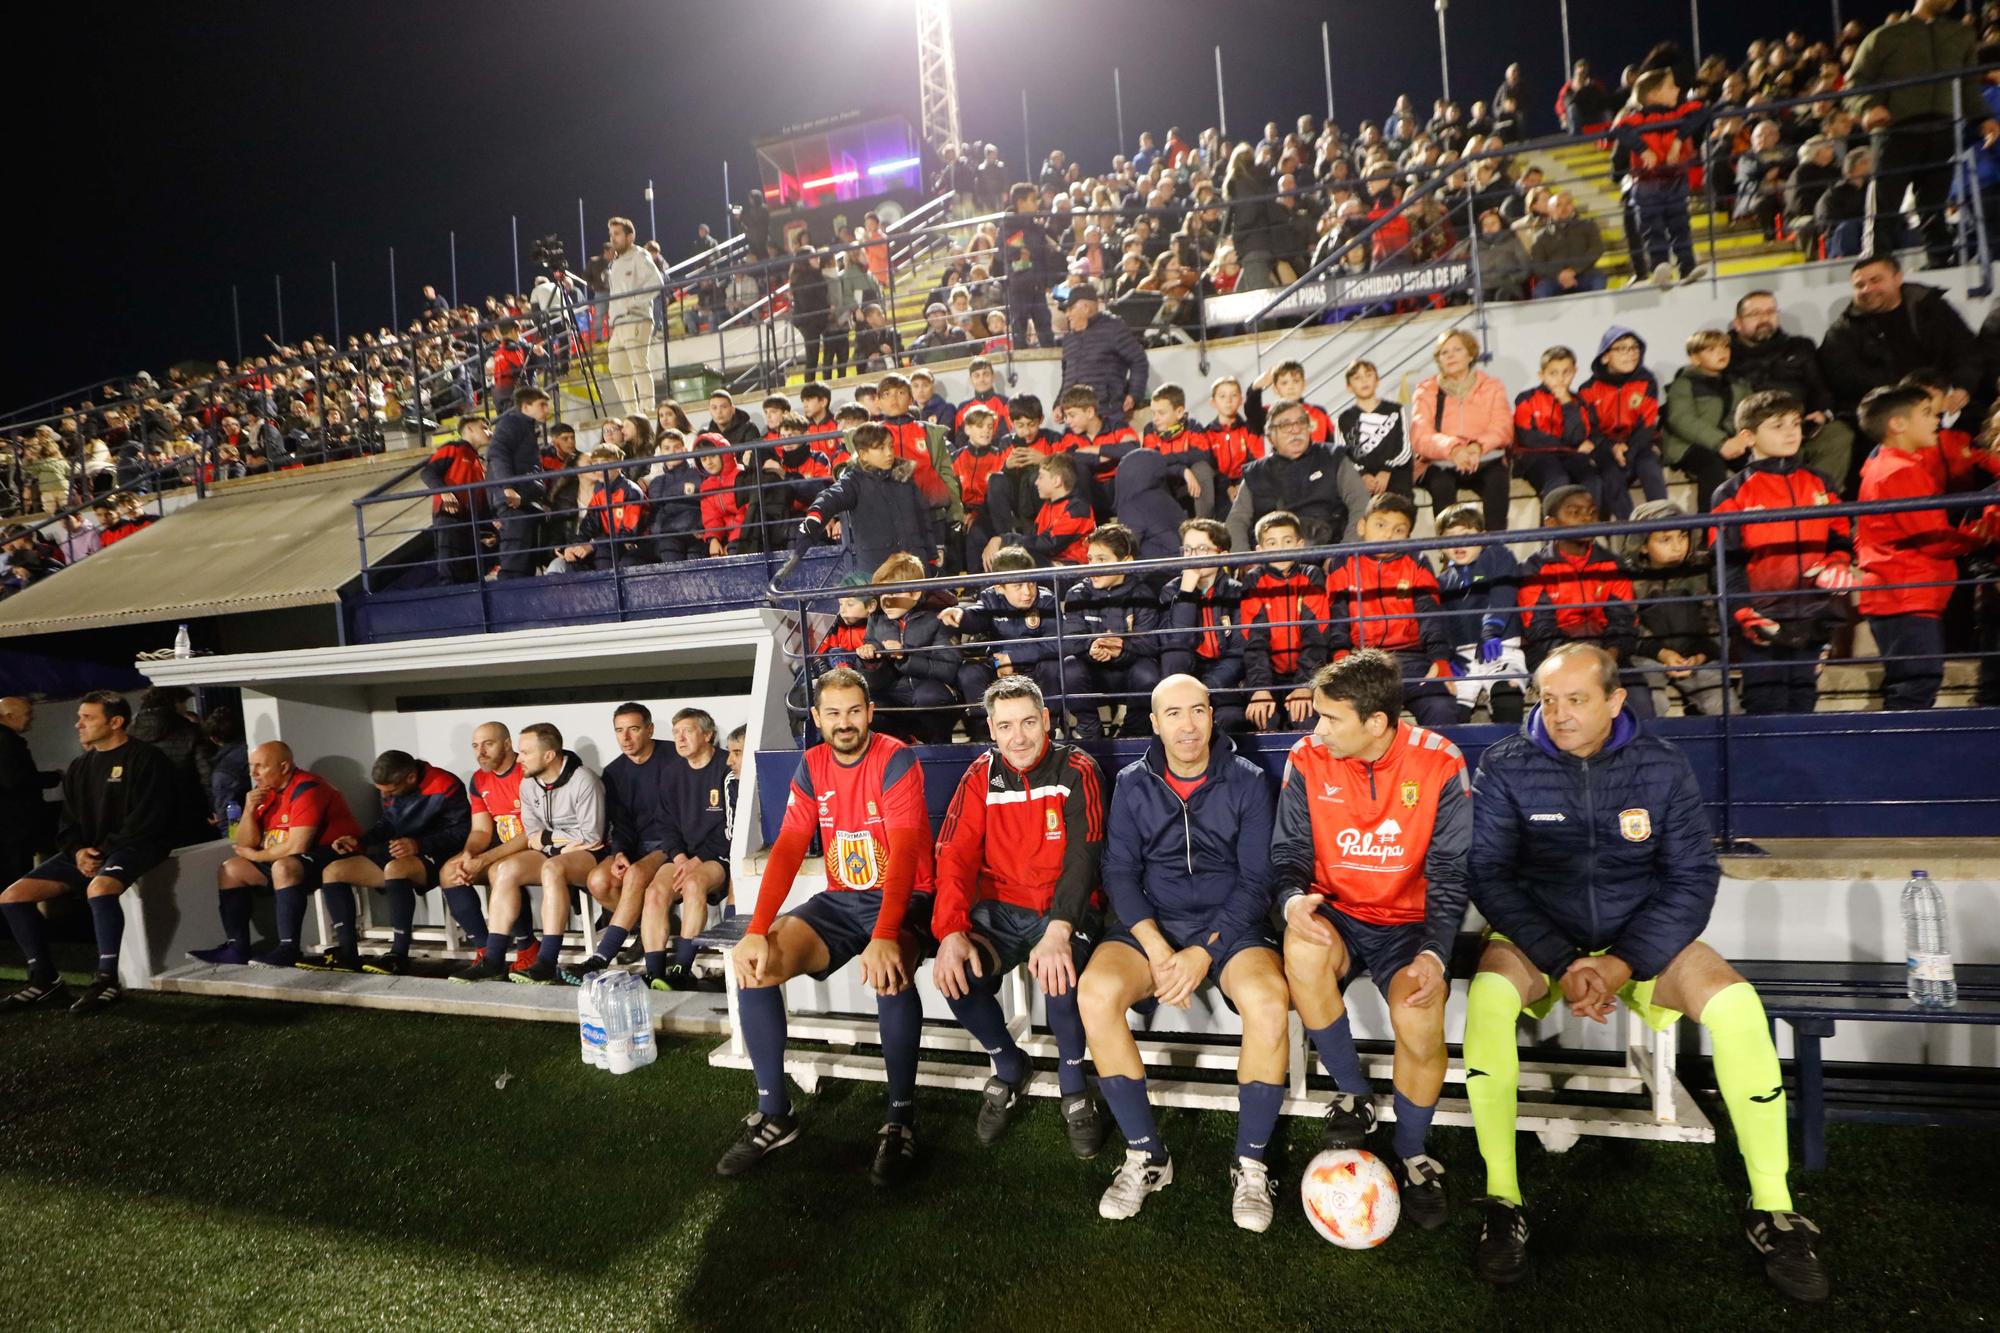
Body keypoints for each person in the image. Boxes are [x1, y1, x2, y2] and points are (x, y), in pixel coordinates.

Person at [1463, 644, 1828, 1303]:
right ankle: (1502, 1198)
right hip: (1544, 940)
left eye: (1576, 699)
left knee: (1739, 1007)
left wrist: (1619, 960)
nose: (1560, 714)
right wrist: (1563, 959)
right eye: (1549, 700)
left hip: (1636, 942)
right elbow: (1490, 875)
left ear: (1614, 700)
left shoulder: (1662, 766)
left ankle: (1772, 1207)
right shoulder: (1504, 763)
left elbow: (1691, 879)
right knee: (1488, 999)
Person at [1077, 674, 1288, 1230]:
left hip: (1232, 926)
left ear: (1212, 715)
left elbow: (1257, 879)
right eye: (1174, 713)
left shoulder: (1246, 780)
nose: (1188, 725)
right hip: (1153, 924)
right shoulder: (1131, 781)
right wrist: (1155, 944)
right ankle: (1148, 1155)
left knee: (1268, 1002)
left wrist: (1202, 952)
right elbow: (1118, 871)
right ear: (1154, 722)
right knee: (1095, 993)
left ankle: (1250, 1163)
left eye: (1197, 711)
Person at [1271, 652, 1472, 1229]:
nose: (1318, 730)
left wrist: (1436, 951)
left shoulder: (1439, 763)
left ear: (1377, 723)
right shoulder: (1307, 758)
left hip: (1409, 926)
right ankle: (1354, 1093)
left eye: (1331, 718)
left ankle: (1412, 1151)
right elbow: (1288, 852)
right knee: (1300, 947)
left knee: (1417, 1014)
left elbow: (1452, 870)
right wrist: (1291, 901)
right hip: (1337, 913)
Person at [716, 669, 936, 1186]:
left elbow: (904, 853)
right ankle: (775, 1113)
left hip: (908, 898)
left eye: (854, 711)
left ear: (870, 713)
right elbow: (791, 844)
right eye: (833, 713)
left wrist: (884, 934)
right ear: (816, 718)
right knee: (757, 964)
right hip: (842, 899)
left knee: (891, 971)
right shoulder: (812, 764)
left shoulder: (894, 756)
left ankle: (900, 1119)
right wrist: (758, 926)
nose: (845, 723)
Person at [931, 675, 1110, 1155]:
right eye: (1006, 725)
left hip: (1065, 909)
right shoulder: (978, 777)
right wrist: (950, 931)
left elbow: (1085, 855)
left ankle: (1074, 1086)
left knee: (1060, 973)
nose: (1019, 737)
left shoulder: (1077, 767)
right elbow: (953, 856)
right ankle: (1009, 1065)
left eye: (1029, 722)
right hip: (1002, 910)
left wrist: (1059, 928)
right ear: (990, 728)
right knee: (957, 974)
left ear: (1046, 720)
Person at [1, 693, 177, 1012]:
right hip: (90, 852)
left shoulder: (148, 759)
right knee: (12, 896)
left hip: (135, 846)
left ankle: (107, 980)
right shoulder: (81, 765)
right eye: (80, 716)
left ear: (116, 722)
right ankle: (45, 981)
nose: (78, 723)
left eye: (88, 717)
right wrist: (79, 850)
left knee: (100, 887)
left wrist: (101, 851)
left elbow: (149, 818)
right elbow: (68, 822)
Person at [1710, 391, 1855, 715]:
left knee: (1803, 699)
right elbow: (1726, 561)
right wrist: (1740, 611)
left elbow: (1840, 537)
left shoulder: (1820, 481)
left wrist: (1838, 562)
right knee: (1765, 703)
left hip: (1814, 612)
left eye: (1795, 423)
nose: (1791, 432)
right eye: (1777, 425)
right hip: (1763, 616)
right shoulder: (1731, 491)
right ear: (1748, 437)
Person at [1856, 384, 1996, 709]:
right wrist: (1981, 536)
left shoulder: (1895, 467)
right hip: (1905, 592)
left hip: (1904, 592)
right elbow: (1932, 538)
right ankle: (1899, 758)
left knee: (1915, 682)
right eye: (1928, 414)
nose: (1937, 420)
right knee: (1916, 683)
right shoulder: (1900, 471)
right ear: (1897, 424)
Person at [448, 723, 605, 983]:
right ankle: (494, 960)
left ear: (549, 755)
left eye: (526, 753)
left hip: (590, 854)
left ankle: (545, 962)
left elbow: (592, 837)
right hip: (556, 849)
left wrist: (550, 841)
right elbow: (532, 835)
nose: (519, 759)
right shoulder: (529, 783)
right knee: (504, 869)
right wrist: (558, 842)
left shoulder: (584, 779)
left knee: (553, 868)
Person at [191, 740, 362, 970]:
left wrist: (255, 856)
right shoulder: (267, 793)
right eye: (251, 766)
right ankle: (237, 947)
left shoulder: (308, 788)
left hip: (329, 855)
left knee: (283, 866)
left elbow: (297, 847)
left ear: (283, 767)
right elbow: (243, 842)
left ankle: (288, 948)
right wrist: (249, 809)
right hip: (283, 859)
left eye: (260, 766)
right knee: (230, 870)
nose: (253, 773)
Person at [313, 751, 471, 975]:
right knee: (334, 871)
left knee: (396, 868)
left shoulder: (445, 783)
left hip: (440, 853)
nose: (387, 795)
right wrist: (358, 842)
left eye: (391, 791)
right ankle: (348, 954)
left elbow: (462, 832)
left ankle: (398, 955)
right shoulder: (390, 787)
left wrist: (419, 845)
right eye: (383, 792)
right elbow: (387, 825)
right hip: (402, 852)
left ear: (411, 778)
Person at [1846, 0, 1977, 269]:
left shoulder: (1962, 34)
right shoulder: (1885, 36)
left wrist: (1983, 118)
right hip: (1896, 129)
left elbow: (1968, 84)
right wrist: (1868, 107)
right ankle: (1875, 259)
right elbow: (1855, 81)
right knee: (1885, 199)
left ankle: (1940, 259)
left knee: (1934, 201)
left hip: (1943, 127)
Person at [1325, 493, 1459, 729]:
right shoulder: (1343, 562)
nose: (1388, 535)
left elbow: (1429, 615)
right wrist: (1341, 658)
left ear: (1408, 535)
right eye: (1380, 525)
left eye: (1399, 530)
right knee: (1351, 714)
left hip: (1412, 659)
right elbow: (1338, 618)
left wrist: (1440, 659)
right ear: (1362, 526)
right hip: (1362, 660)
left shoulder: (1416, 561)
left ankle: (1437, 766)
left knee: (1441, 707)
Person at [561, 704, 671, 986]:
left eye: (633, 729)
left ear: (649, 729)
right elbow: (620, 823)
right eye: (619, 731)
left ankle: (601, 956)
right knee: (598, 880)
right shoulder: (614, 771)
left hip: (670, 844)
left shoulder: (673, 758)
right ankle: (644, 931)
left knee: (634, 875)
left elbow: (678, 817)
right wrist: (620, 852)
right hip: (635, 846)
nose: (626, 738)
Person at [1518, 486, 1651, 718]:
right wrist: (1580, 664)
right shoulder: (1534, 568)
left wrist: (1607, 658)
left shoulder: (1613, 564)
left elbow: (1624, 620)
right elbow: (1540, 629)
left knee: (1638, 699)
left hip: (1607, 654)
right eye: (1575, 512)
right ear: (1551, 524)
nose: (1587, 519)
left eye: (1591, 512)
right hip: (1555, 657)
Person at [1818, 255, 1982, 424]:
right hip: (1886, 415)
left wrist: (1962, 388)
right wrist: (1911, 400)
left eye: (1876, 280)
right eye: (1860, 285)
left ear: (1898, 278)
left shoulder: (1932, 308)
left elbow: (1966, 352)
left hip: (1949, 405)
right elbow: (1845, 381)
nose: (1867, 289)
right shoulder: (1842, 331)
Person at [635, 707, 732, 991]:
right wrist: (679, 856)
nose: (679, 738)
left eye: (686, 731)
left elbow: (730, 825)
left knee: (692, 885)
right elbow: (664, 824)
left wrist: (696, 861)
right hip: (682, 856)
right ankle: (654, 973)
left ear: (708, 735)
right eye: (675, 733)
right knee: (654, 893)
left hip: (716, 857)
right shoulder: (671, 773)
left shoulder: (726, 767)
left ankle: (681, 968)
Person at [437, 721, 538, 973]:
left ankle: (528, 946)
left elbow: (533, 831)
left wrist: (486, 858)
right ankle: (485, 950)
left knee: (499, 871)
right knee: (450, 872)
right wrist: (470, 853)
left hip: (536, 848)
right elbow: (481, 830)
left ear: (507, 744)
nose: (480, 752)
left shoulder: (527, 771)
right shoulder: (479, 779)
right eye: (475, 746)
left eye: (488, 744)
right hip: (503, 851)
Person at [1729, 290, 1855, 487]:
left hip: (1801, 425)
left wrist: (1822, 413)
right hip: (1755, 430)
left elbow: (1820, 388)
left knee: (1838, 433)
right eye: (1755, 314)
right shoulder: (1725, 356)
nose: (1764, 319)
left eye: (1770, 312)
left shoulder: (1800, 346)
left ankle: (1818, 499)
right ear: (1738, 323)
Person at [783, 423, 937, 580]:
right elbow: (831, 496)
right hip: (880, 573)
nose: (889, 453)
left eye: (890, 446)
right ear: (863, 454)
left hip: (916, 570)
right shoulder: (853, 482)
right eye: (881, 448)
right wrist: (815, 515)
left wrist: (932, 555)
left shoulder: (905, 478)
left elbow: (922, 518)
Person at [1062, 523, 1168, 739]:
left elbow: (1150, 643)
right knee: (1069, 667)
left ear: (1126, 562)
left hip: (1128, 672)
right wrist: (1090, 646)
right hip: (1092, 671)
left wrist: (1122, 648)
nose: (1092, 567)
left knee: (1148, 672)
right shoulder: (1077, 593)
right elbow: (1069, 640)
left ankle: (1134, 732)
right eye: (1090, 559)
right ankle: (1090, 732)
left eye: (1101, 560)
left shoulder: (1143, 594)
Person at [1622, 499, 1727, 717]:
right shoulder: (1629, 578)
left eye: (1683, 536)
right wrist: (1662, 654)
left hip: (1697, 657)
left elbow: (1715, 619)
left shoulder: (1702, 571)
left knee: (1723, 703)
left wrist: (1701, 655)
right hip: (1648, 657)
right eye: (1665, 539)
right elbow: (1627, 625)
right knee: (1651, 704)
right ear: (1642, 544)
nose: (1678, 546)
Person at [1226, 400, 1367, 551]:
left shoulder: (1334, 457)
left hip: (1331, 552)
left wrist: (1345, 552)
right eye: (1285, 425)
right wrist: (1245, 561)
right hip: (1273, 560)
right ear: (1270, 436)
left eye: (1301, 422)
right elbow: (1237, 520)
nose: (1295, 430)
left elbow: (1361, 504)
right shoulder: (1255, 473)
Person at [1611, 69, 1709, 285]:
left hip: (1675, 179)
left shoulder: (1678, 113)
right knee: (1652, 227)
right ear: (1653, 94)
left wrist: (1679, 139)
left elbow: (1702, 112)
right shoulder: (1637, 117)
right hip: (1647, 182)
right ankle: (1659, 268)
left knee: (1680, 225)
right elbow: (1619, 130)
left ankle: (1687, 268)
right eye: (1671, 87)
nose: (1678, 90)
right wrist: (1643, 149)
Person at [1411, 330, 1515, 535]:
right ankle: (1449, 549)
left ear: (1470, 355)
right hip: (1439, 462)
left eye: (1457, 350)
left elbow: (1503, 428)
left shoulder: (1492, 386)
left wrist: (1477, 446)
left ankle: (1496, 546)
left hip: (1483, 458)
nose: (1450, 356)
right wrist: (1454, 449)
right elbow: (1420, 436)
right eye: (1444, 352)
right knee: (1442, 485)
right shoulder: (1426, 390)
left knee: (1497, 479)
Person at [1431, 504, 1526, 724]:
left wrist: (1491, 630)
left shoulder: (1498, 556)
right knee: (1450, 708)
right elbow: (1441, 624)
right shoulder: (1443, 581)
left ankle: (1509, 756)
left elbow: (1502, 593)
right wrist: (1448, 656)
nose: (1458, 543)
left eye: (1466, 535)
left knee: (1508, 694)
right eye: (1450, 537)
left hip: (1501, 647)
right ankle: (1461, 757)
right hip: (1463, 658)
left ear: (1482, 537)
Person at [1159, 519, 1248, 731]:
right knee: (1174, 654)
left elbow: (1239, 651)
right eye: (1187, 549)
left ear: (1223, 555)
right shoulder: (1171, 591)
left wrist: (1207, 687)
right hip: (1184, 678)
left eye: (1201, 549)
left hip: (1222, 680)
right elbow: (1176, 643)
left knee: (1229, 719)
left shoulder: (1237, 591)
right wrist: (1186, 594)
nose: (1192, 556)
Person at [1577, 326, 1667, 517]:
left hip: (1638, 444)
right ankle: (1630, 535)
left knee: (1650, 468)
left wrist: (1628, 449)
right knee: (1611, 476)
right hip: (1605, 448)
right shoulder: (1588, 389)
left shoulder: (1646, 381)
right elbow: (1591, 429)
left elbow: (1648, 423)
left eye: (1634, 348)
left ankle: (1664, 524)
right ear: (1605, 356)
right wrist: (1613, 448)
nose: (1631, 354)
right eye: (1622, 348)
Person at [1662, 329, 1755, 512]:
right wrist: (1721, 442)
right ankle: (1711, 528)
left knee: (1758, 461)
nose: (1722, 353)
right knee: (1711, 465)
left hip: (1730, 443)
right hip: (1688, 445)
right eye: (1711, 350)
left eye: (1725, 347)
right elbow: (1681, 419)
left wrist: (1743, 439)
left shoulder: (1737, 384)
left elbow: (1751, 412)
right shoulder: (1684, 383)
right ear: (1695, 358)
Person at [1056, 284, 1149, 427]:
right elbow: (1066, 376)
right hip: (1074, 418)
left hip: (1107, 414)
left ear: (1086, 308)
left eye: (1070, 309)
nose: (1067, 315)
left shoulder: (1114, 328)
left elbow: (1138, 360)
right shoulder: (1068, 339)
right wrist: (1059, 404)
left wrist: (1134, 394)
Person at [487, 388, 552, 579]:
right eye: (542, 405)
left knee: (526, 562)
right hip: (515, 502)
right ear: (525, 406)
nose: (546, 409)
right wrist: (508, 488)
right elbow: (497, 454)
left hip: (525, 500)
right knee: (516, 563)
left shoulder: (526, 427)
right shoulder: (511, 423)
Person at [602, 217, 664, 418]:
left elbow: (656, 281)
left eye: (617, 234)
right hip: (618, 323)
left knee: (638, 364)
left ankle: (647, 410)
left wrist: (633, 301)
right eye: (611, 235)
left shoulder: (640, 255)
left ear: (630, 236)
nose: (613, 239)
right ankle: (632, 413)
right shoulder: (615, 263)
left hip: (636, 318)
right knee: (617, 367)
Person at [0, 696, 60, 884]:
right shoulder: (6, 741)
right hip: (13, 829)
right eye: (28, 714)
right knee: (15, 880)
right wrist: (54, 777)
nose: (31, 718)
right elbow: (15, 780)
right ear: (9, 716)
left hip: (8, 828)